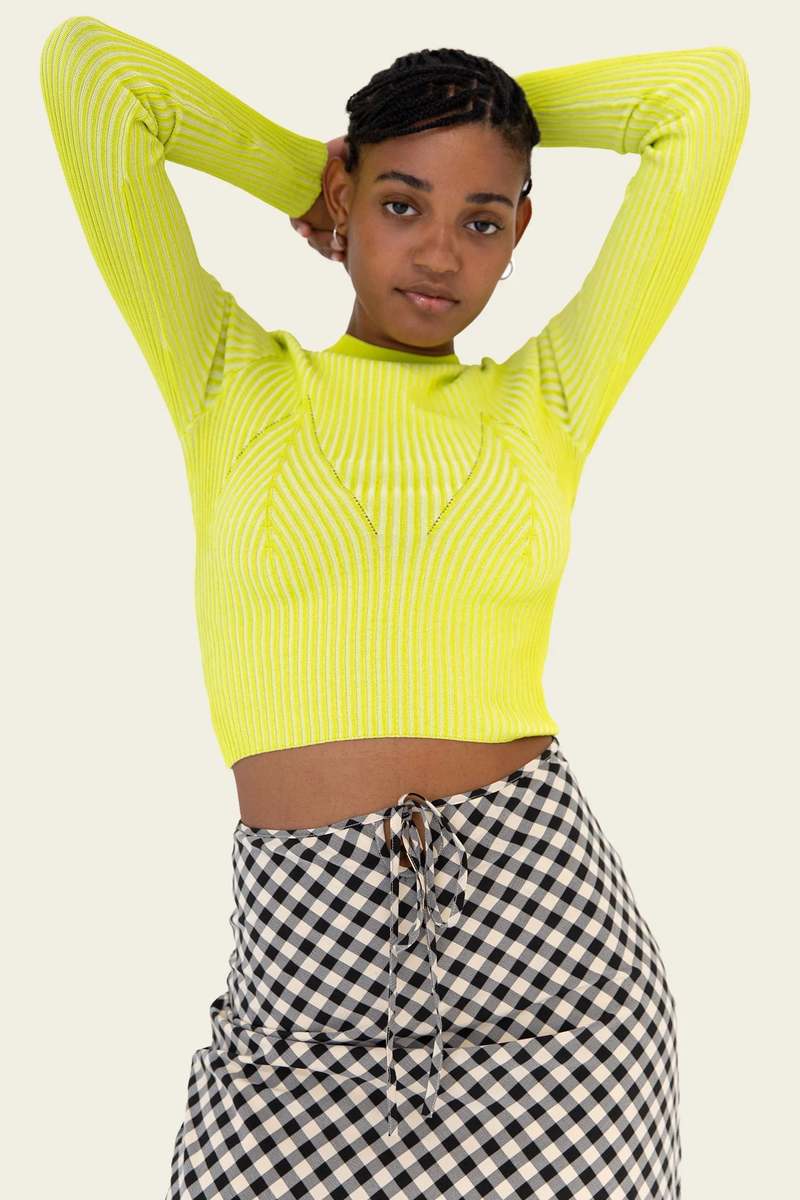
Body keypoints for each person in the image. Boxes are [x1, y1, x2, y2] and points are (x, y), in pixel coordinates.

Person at [39, 16, 749, 1198]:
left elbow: (702, 98)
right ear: (347, 199)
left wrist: (484, 117)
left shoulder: (543, 401)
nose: (438, 252)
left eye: (481, 220)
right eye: (400, 203)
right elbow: (92, 77)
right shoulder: (230, 380)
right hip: (300, 986)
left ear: (518, 234)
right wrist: (311, 173)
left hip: (554, 980)